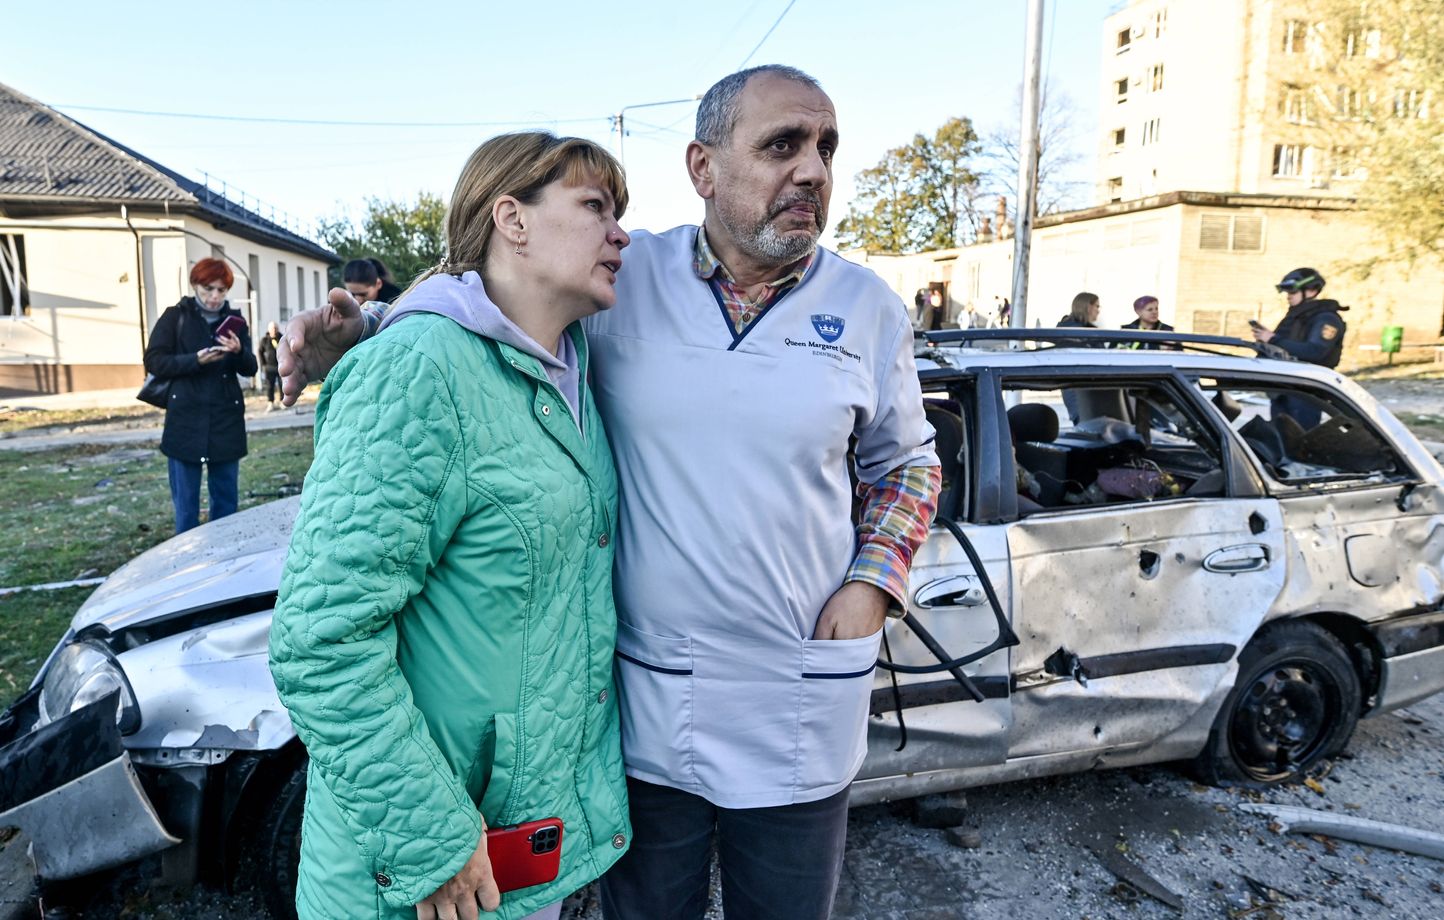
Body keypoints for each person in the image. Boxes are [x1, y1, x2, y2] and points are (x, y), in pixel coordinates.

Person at [277, 65, 940, 920]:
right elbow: (487, 312)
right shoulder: (624, 281)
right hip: (643, 716)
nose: (812, 170)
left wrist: (874, 582)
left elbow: (909, 464)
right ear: (703, 169)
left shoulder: (869, 308)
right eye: (782, 145)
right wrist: (362, 332)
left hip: (798, 704)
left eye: (825, 147)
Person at [269, 132, 632, 920]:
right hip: (423, 873)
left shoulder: (568, 366)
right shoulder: (420, 367)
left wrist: (367, 322)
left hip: (510, 854)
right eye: (596, 207)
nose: (621, 232)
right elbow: (320, 640)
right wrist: (429, 838)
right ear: (513, 218)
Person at [142, 257, 256, 534]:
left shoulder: (236, 321)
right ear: (195, 285)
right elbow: (154, 361)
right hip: (185, 420)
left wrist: (239, 351)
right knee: (186, 508)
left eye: (221, 290)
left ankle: (224, 562)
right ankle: (186, 566)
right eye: (208, 289)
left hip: (225, 420)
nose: (215, 296)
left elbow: (250, 367)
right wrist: (195, 360)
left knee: (226, 504)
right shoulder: (175, 316)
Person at [1250, 267, 1348, 428]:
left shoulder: (1327, 318)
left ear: (1311, 291)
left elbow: (1314, 352)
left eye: (1293, 292)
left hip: (1305, 392)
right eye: (1287, 293)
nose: (1288, 297)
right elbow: (1285, 349)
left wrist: (1273, 339)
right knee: (1280, 440)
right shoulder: (1297, 316)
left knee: (1300, 440)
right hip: (1284, 389)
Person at [257, 321, 283, 410]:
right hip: (269, 367)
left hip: (281, 366)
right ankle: (270, 403)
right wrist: (263, 364)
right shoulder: (264, 340)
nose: (274, 330)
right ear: (269, 329)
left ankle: (282, 402)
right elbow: (260, 352)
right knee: (270, 386)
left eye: (276, 328)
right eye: (272, 328)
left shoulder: (282, 338)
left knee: (282, 384)